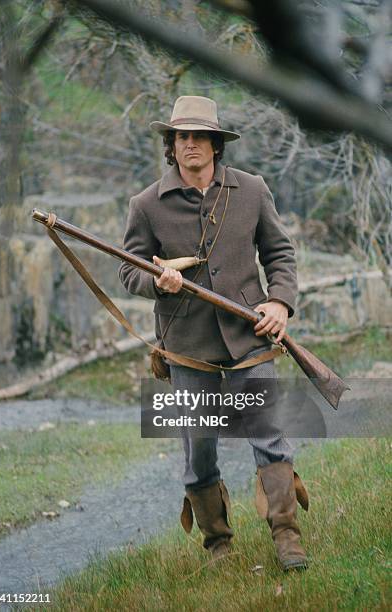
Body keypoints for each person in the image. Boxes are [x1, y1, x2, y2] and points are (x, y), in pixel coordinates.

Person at [119, 95, 309, 570]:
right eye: (182, 137)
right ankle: (218, 545)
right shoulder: (145, 205)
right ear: (172, 145)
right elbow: (129, 273)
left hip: (250, 340)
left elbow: (279, 255)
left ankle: (287, 537)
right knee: (199, 445)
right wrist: (158, 284)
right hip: (187, 349)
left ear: (216, 144)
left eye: (200, 136)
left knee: (269, 437)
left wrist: (280, 303)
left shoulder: (251, 190)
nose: (191, 145)